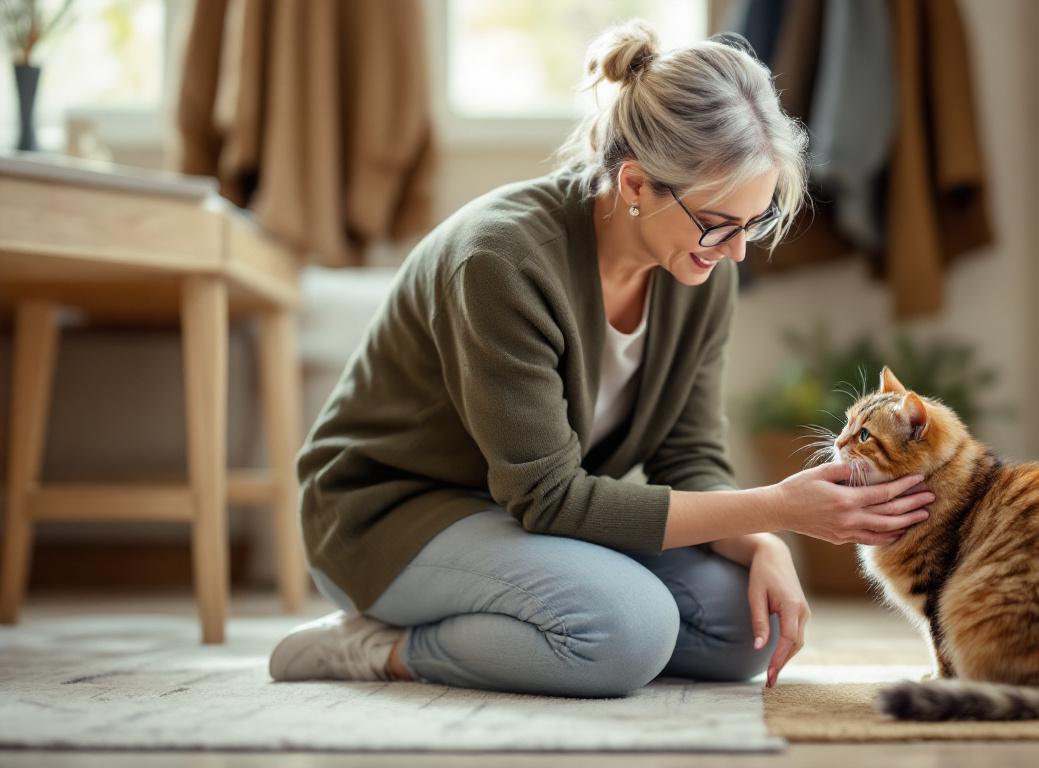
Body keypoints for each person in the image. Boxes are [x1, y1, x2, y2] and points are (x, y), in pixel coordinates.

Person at [268, 19, 934, 698]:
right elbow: (548, 496)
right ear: (637, 184)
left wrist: (762, 540)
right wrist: (775, 509)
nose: (735, 252)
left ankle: (542, 615)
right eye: (717, 224)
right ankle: (373, 648)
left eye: (753, 224)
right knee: (626, 632)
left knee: (741, 627)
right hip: (391, 519)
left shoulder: (699, 272)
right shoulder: (501, 260)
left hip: (521, 520)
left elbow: (689, 455)